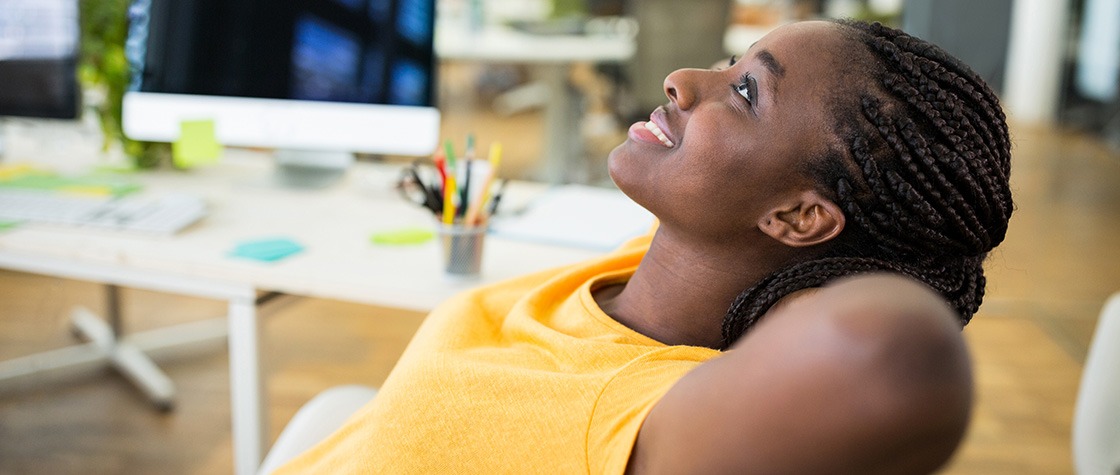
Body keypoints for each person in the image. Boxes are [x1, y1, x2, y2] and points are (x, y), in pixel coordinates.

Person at [273, 19, 1012, 475]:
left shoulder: (646, 416)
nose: (684, 81)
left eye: (747, 93)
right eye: (732, 64)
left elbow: (894, 358)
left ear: (796, 215)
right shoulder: (654, 265)